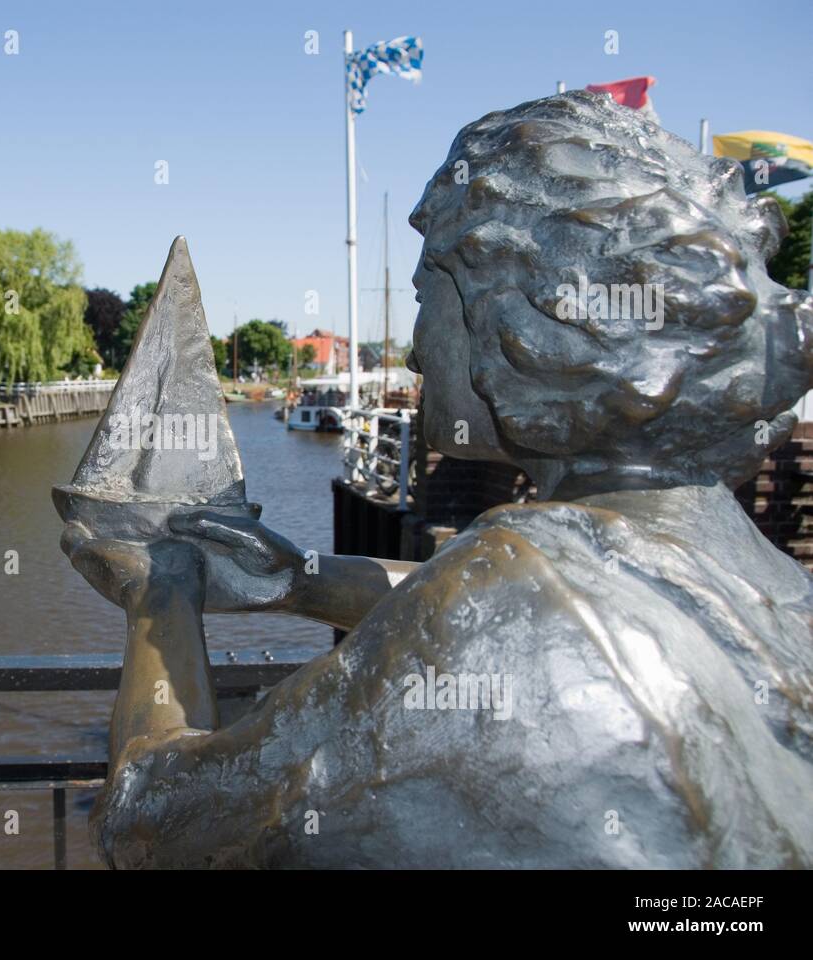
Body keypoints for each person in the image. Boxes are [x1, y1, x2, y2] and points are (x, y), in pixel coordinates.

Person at [62, 91, 813, 868]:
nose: (417, 353)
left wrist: (161, 598)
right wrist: (299, 579)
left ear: (518, 321)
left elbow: (153, 818)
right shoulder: (765, 578)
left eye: (428, 298)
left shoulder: (505, 613)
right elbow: (498, 599)